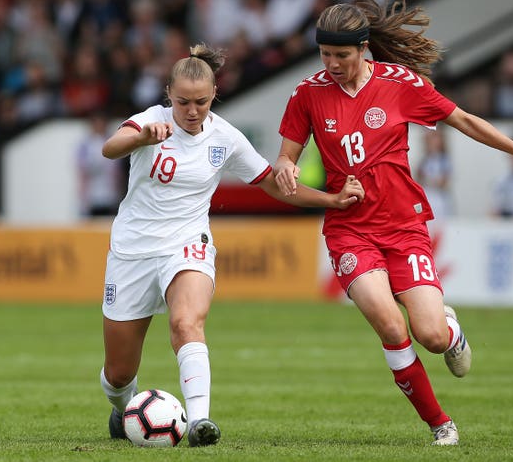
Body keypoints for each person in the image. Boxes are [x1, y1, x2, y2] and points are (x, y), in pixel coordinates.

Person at [273, 0, 513, 446]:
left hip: (403, 226)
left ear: (364, 48)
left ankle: (448, 331)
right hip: (350, 230)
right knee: (390, 325)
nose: (332, 62)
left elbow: (462, 119)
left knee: (428, 334)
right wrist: (288, 166)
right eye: (325, 53)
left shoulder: (399, 83)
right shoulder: (307, 94)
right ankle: (440, 424)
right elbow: (285, 158)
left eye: (342, 54)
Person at [99, 43, 364, 447]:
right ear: (168, 95)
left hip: (187, 243)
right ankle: (124, 408)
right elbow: (110, 147)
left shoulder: (225, 137)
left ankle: (201, 421)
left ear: (214, 95)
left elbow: (276, 185)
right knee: (119, 373)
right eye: (183, 102)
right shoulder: (149, 121)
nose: (192, 111)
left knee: (187, 322)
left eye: (201, 102)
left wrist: (330, 200)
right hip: (132, 251)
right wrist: (140, 139)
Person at [416, 129, 454, 219]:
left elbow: (443, 182)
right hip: (427, 196)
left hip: (439, 198)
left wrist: (428, 180)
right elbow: (418, 179)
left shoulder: (444, 160)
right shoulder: (424, 159)